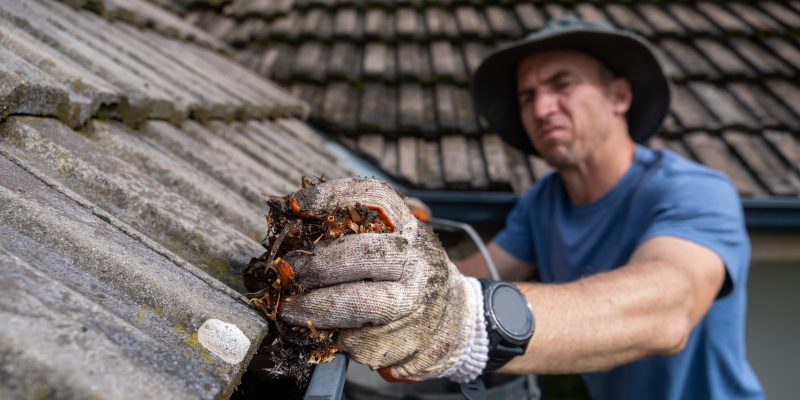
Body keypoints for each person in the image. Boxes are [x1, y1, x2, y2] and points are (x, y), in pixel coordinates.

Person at [278, 18, 764, 400]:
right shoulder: (543, 201)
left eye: (562, 85)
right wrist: (404, 238)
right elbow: (466, 275)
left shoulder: (696, 191)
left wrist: (462, 325)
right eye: (528, 96)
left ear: (619, 95)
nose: (541, 107)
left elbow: (668, 308)